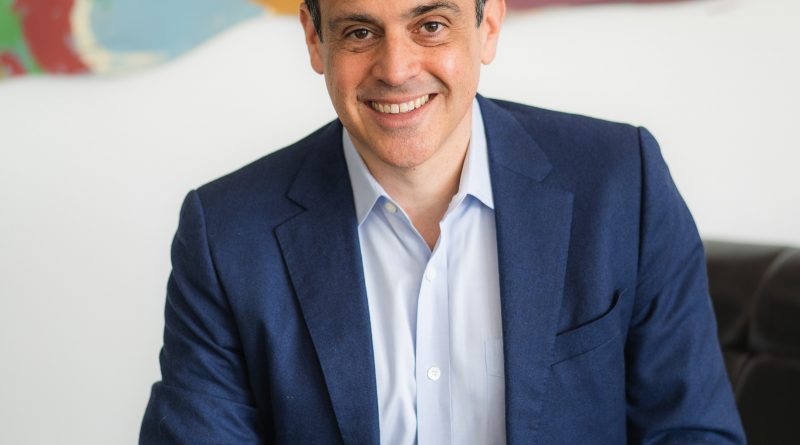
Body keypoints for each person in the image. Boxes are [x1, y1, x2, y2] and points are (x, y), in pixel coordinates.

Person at [140, 0, 746, 443]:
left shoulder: (621, 184)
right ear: (315, 40)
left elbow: (692, 430)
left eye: (430, 25)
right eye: (359, 32)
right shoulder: (226, 234)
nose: (396, 68)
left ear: (488, 25)